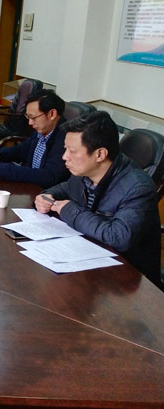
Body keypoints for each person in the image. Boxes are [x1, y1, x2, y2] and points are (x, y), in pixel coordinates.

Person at [34, 111, 161, 286]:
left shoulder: (138, 187)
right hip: (88, 258)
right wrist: (46, 196)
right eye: (65, 149)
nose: (65, 156)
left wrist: (69, 210)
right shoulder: (84, 172)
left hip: (128, 281)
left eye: (72, 151)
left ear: (100, 154)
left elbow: (118, 237)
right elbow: (66, 188)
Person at [0, 89, 69, 187]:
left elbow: (49, 176)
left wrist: (0, 169)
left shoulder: (66, 138)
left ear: (52, 114)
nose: (30, 123)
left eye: (33, 117)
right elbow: (23, 150)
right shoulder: (44, 129)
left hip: (45, 192)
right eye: (28, 117)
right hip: (29, 186)